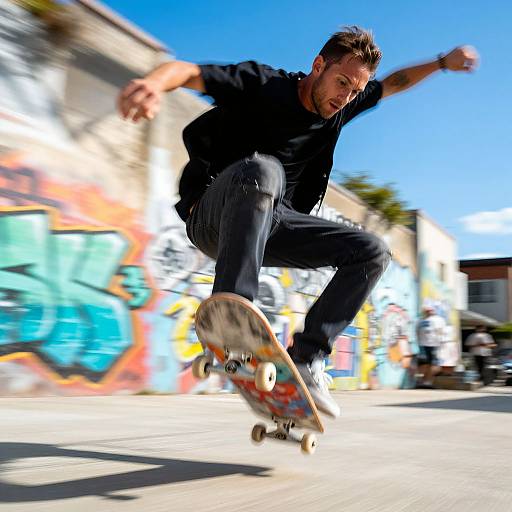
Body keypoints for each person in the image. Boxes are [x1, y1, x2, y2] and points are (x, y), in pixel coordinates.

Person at [117, 26, 479, 418]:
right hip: (212, 217)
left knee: (372, 252)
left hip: (272, 225)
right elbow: (188, 72)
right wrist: (153, 82)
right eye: (341, 83)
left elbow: (393, 83)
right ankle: (232, 314)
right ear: (318, 65)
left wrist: (443, 63)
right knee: (265, 170)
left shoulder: (343, 105)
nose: (345, 97)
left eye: (355, 91)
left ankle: (307, 361)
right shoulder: (264, 83)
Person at [416, 306, 446, 387]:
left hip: (434, 345)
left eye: (431, 310)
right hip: (422, 345)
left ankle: (428, 381)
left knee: (434, 364)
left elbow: (441, 331)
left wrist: (441, 344)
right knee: (423, 364)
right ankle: (422, 381)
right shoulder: (420, 320)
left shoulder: (438, 319)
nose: (429, 312)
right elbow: (417, 332)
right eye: (427, 310)